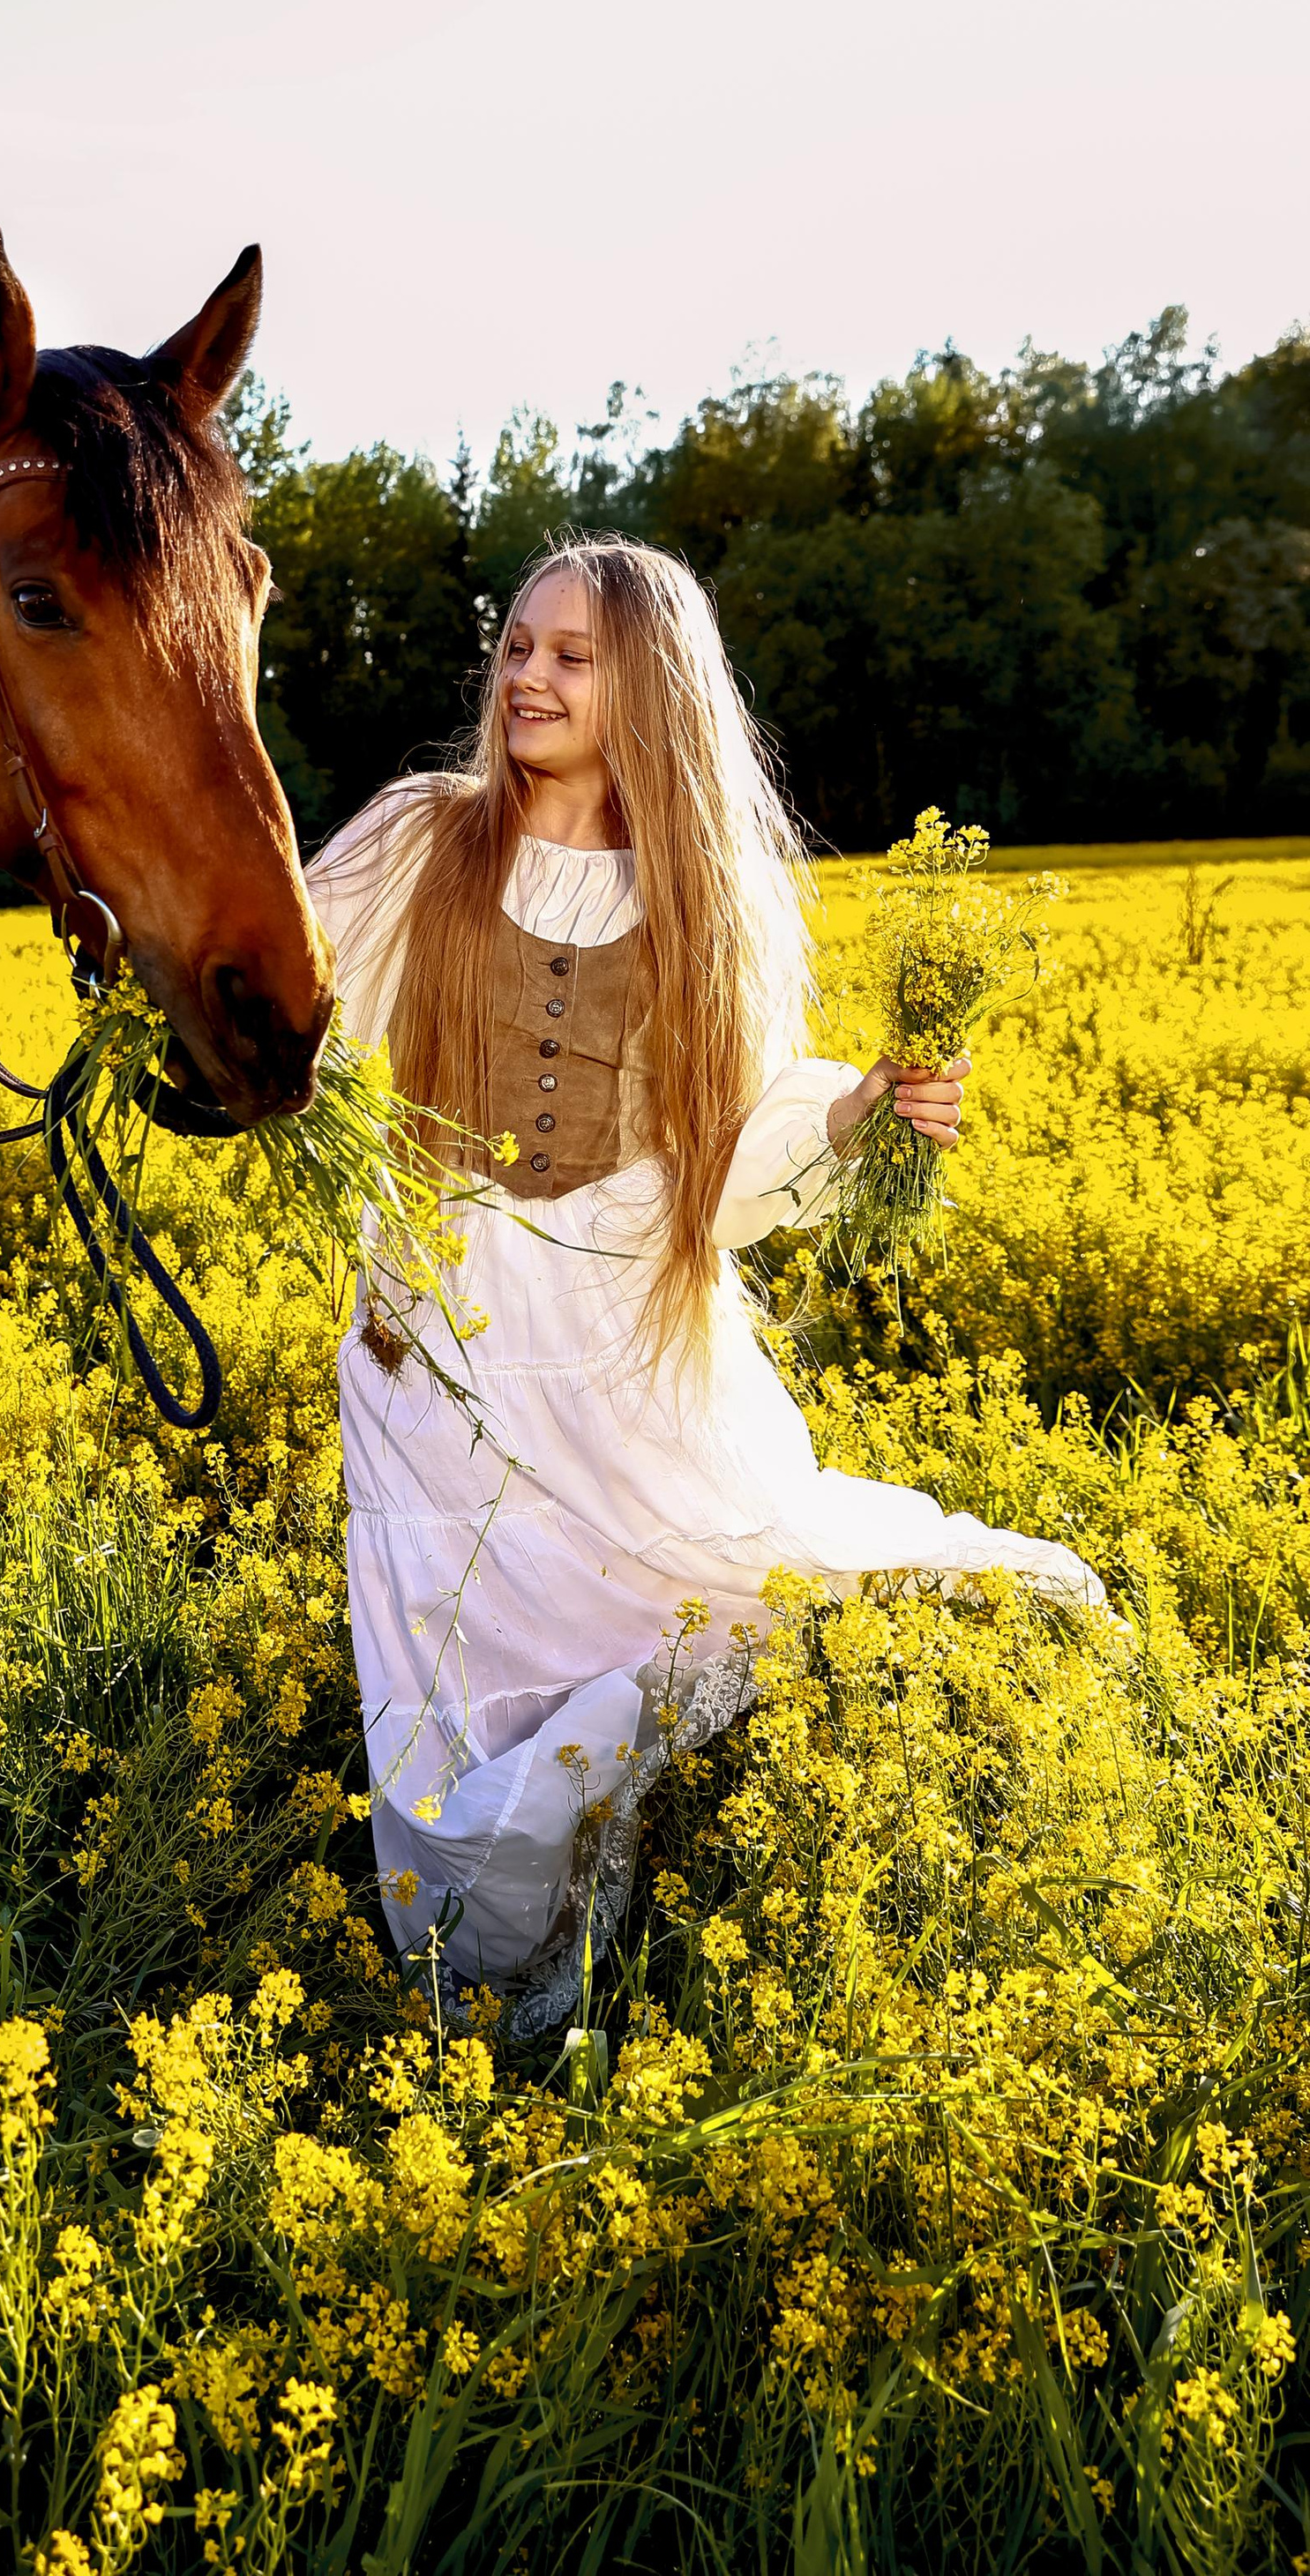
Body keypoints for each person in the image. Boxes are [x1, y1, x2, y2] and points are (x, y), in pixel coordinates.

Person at [306, 535, 1104, 2034]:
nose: (529, 676)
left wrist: (866, 1115)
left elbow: (718, 1159)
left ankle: (681, 1864)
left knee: (712, 1579)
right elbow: (267, 978)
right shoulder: (421, 836)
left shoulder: (704, 897)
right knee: (459, 1658)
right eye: (518, 647)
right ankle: (490, 1968)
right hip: (442, 1322)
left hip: (623, 1328)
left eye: (573, 656)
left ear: (649, 687)